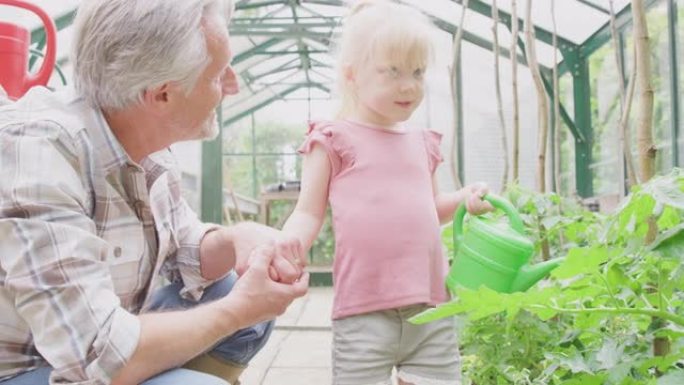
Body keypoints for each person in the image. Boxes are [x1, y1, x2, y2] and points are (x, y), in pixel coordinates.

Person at [0, 0, 309, 384]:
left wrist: (237, 240)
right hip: (31, 369)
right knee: (221, 341)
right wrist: (239, 310)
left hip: (96, 344)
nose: (233, 85)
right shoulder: (38, 152)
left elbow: (183, 248)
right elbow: (99, 354)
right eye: (216, 76)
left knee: (234, 293)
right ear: (162, 95)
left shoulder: (147, 148)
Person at [280, 1, 493, 384]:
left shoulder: (422, 143)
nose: (408, 84)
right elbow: (308, 213)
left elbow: (431, 208)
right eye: (392, 71)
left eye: (417, 72)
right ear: (352, 75)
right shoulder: (333, 139)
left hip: (431, 307)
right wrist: (285, 249)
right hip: (364, 310)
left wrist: (464, 200)